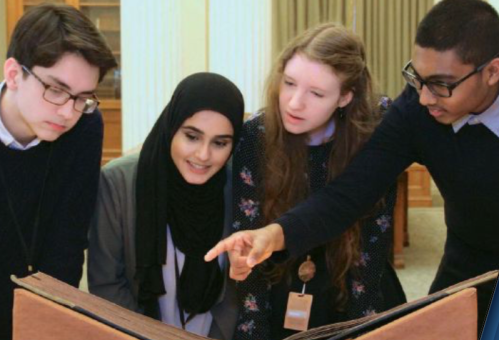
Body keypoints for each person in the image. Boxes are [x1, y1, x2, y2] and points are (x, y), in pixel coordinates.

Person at [206, 0, 499, 332]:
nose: (425, 97)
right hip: (472, 258)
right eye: (418, 77)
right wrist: (271, 236)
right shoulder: (418, 110)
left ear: (492, 72)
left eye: (441, 85)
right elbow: (349, 195)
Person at [231, 23, 404, 340]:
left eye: (316, 93)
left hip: (357, 280)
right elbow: (248, 248)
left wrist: (361, 330)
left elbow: (373, 244)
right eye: (289, 83)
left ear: (345, 97)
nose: (294, 103)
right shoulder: (256, 137)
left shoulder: (374, 132)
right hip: (280, 284)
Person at [88, 72, 244, 339]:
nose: (203, 155)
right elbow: (107, 283)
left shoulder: (239, 188)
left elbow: (236, 293)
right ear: (171, 127)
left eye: (220, 143)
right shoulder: (120, 183)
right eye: (192, 136)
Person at [0, 4, 116, 338]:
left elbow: (68, 243)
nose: (68, 112)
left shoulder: (85, 126)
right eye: (55, 89)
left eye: (82, 97)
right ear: (13, 75)